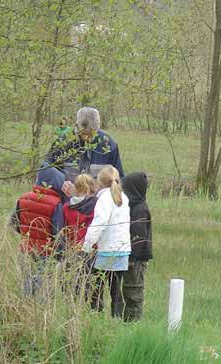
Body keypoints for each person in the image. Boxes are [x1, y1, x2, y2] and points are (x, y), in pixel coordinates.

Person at [10, 165, 66, 296]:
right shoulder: (56, 203)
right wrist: (62, 253)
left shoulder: (23, 198)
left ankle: (22, 311)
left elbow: (14, 223)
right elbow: (57, 232)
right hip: (46, 252)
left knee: (25, 286)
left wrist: (26, 233)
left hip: (25, 249)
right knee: (43, 289)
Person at [83, 166, 131, 317]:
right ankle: (117, 318)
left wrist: (87, 245)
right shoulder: (124, 198)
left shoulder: (103, 199)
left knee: (96, 289)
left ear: (100, 183)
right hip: (122, 250)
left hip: (106, 251)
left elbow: (99, 224)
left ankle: (95, 317)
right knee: (116, 290)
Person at [46, 107, 124, 183]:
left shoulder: (109, 145)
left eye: (91, 135)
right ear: (76, 126)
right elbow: (46, 170)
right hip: (67, 195)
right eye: (83, 134)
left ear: (98, 128)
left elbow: (118, 178)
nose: (86, 138)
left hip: (99, 195)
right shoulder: (62, 143)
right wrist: (61, 184)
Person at [122, 172, 152, 322]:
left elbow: (138, 238)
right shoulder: (133, 207)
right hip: (132, 258)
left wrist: (132, 258)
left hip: (136, 260)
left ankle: (132, 324)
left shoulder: (140, 209)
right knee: (128, 291)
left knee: (134, 292)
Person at [61, 174, 98, 296]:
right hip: (91, 249)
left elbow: (64, 229)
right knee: (89, 282)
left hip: (72, 248)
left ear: (75, 187)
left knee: (71, 281)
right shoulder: (96, 205)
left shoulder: (67, 207)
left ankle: (71, 304)